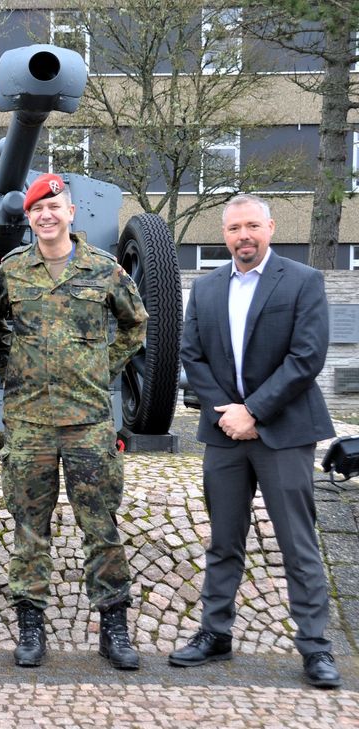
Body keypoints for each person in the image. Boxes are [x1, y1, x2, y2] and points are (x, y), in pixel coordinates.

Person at [171, 194, 341, 688]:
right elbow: (192, 354)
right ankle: (215, 633)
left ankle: (315, 648)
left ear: (270, 227)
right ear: (223, 235)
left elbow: (307, 357)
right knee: (224, 541)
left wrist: (254, 412)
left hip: (284, 432)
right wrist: (229, 413)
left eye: (251, 226)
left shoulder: (303, 281)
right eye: (233, 229)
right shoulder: (204, 288)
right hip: (225, 434)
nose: (243, 236)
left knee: (298, 543)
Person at [0, 173, 147, 671]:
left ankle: (113, 626)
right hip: (29, 422)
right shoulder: (12, 272)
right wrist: (12, 369)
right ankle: (31, 624)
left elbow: (134, 324)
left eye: (55, 207)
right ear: (29, 218)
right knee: (30, 528)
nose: (47, 215)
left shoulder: (104, 270)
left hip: (89, 421)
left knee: (101, 526)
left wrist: (103, 364)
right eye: (38, 210)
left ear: (71, 213)